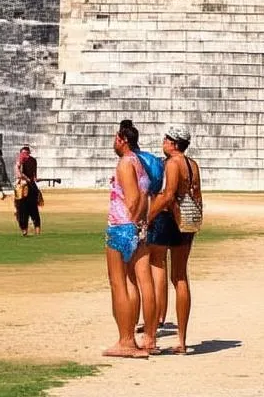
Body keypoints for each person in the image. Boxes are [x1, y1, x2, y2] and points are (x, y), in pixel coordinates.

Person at [147, 125, 201, 354]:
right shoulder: (193, 164)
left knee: (156, 265)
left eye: (167, 139)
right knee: (180, 276)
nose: (164, 142)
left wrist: (148, 216)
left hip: (169, 219)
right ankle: (182, 339)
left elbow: (169, 195)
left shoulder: (172, 163)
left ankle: (153, 330)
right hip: (189, 220)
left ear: (174, 143)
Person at [104, 124, 156, 358]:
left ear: (123, 139)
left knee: (119, 284)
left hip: (122, 227)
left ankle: (126, 340)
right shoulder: (138, 163)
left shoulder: (125, 163)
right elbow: (143, 196)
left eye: (116, 138)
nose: (114, 143)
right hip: (137, 227)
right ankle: (132, 340)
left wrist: (131, 227)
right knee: (132, 283)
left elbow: (133, 199)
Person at [119, 118, 166, 335]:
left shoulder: (130, 161)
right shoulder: (153, 160)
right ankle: (157, 318)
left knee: (133, 275)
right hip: (156, 212)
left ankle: (136, 319)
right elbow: (157, 188)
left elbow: (134, 198)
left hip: (138, 218)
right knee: (157, 267)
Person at [14, 146, 42, 236]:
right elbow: (35, 177)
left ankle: (25, 230)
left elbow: (19, 174)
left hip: (24, 188)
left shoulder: (22, 160)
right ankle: (35, 230)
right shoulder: (33, 160)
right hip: (31, 186)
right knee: (33, 210)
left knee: (22, 210)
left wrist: (25, 177)